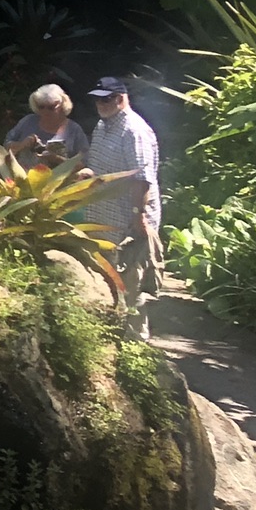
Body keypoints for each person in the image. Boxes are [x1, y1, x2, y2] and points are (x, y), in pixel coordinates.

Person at [81, 75, 163, 331]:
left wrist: (139, 216)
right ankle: (111, 337)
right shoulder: (102, 126)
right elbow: (102, 169)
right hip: (103, 219)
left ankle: (137, 341)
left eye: (107, 99)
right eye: (98, 100)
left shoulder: (134, 131)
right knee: (107, 280)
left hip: (129, 223)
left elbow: (142, 179)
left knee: (131, 285)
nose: (101, 104)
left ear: (121, 98)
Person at [5, 83, 87, 166]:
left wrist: (56, 159)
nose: (45, 112)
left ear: (63, 105)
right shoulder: (28, 121)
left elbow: (83, 163)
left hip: (58, 174)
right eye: (41, 107)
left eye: (51, 107)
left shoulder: (74, 130)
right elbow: (6, 146)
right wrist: (22, 144)